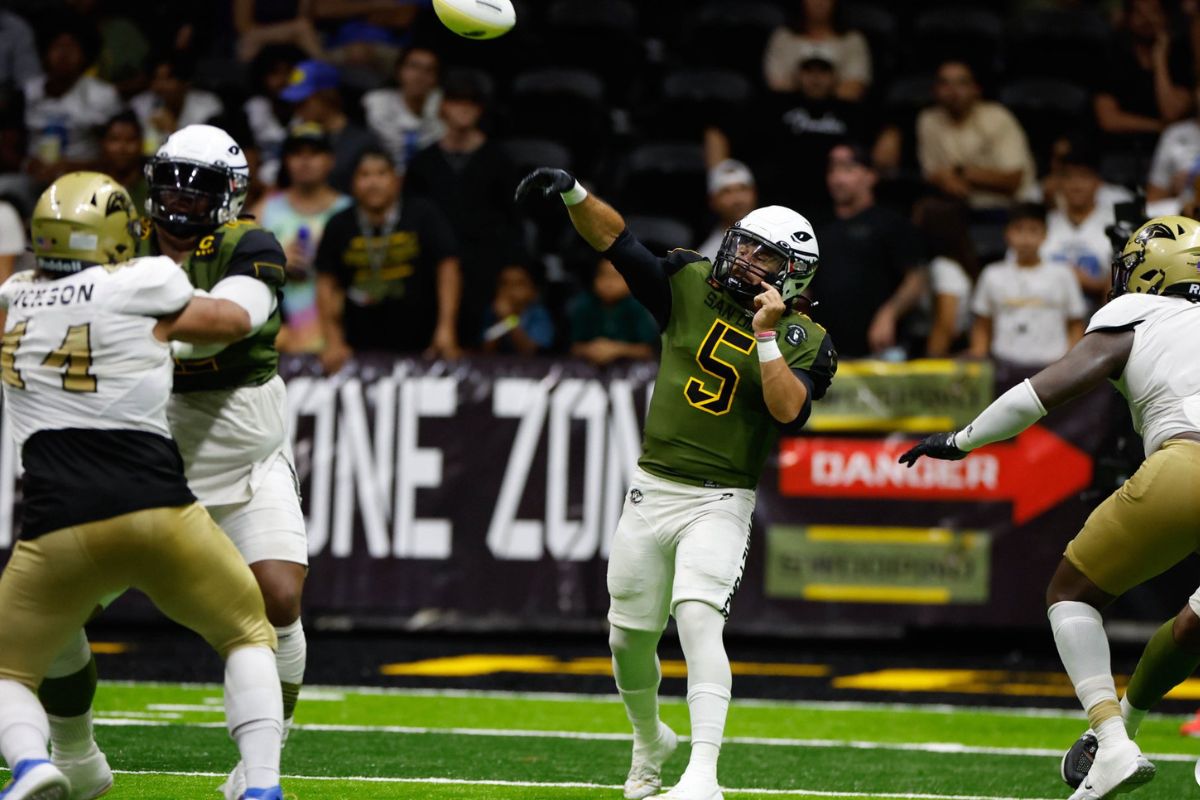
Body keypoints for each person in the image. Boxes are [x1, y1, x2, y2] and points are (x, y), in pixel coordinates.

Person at [515, 166, 836, 800]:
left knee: (696, 616)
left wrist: (766, 338)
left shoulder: (809, 338)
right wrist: (576, 192)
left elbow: (788, 412)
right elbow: (618, 244)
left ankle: (703, 775)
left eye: (759, 256)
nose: (739, 259)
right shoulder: (689, 281)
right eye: (741, 245)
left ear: (791, 273)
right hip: (650, 488)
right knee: (626, 636)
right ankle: (648, 743)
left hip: (719, 497)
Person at [36, 126, 308, 800]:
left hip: (240, 445)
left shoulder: (249, 242)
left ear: (232, 193)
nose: (182, 197)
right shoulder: (114, 237)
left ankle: (263, 757)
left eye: (202, 184)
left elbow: (237, 315)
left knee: (277, 600)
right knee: (47, 607)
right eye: (172, 180)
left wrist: (140, 325)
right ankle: (76, 754)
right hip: (140, 451)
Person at [899, 215, 1200, 800]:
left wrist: (959, 441)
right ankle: (1125, 733)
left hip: (1189, 462)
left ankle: (1111, 743)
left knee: (1071, 594)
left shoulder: (1137, 313)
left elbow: (1040, 392)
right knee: (1193, 626)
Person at [404, 69, 523, 347]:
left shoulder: (499, 161)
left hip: (485, 268)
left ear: (480, 110)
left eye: (471, 103)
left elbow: (514, 217)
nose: (464, 109)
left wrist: (513, 268)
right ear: (443, 107)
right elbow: (410, 218)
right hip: (428, 269)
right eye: (457, 101)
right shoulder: (424, 162)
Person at [315, 147, 461, 374]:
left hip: (422, 345)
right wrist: (332, 340)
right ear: (353, 182)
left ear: (397, 180)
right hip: (357, 347)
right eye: (365, 175)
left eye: (381, 174)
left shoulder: (423, 214)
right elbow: (326, 282)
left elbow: (448, 268)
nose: (373, 183)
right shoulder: (338, 224)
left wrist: (446, 328)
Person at [807, 142, 926, 358]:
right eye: (832, 170)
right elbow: (806, 286)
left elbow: (916, 279)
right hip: (825, 350)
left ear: (871, 176)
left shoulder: (891, 223)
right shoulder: (816, 228)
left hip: (881, 349)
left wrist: (889, 313)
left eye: (847, 169)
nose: (837, 179)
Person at [250, 123, 351, 353]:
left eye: (314, 154)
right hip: (281, 340)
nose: (305, 161)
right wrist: (275, 263)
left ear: (330, 160)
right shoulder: (264, 211)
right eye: (296, 154)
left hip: (341, 340)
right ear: (286, 161)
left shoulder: (348, 211)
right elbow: (238, 272)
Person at [969, 203, 1087, 367]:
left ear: (1045, 235)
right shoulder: (992, 274)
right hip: (1004, 367)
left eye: (1033, 230)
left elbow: (1075, 324)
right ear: (1007, 233)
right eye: (1018, 229)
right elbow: (982, 325)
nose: (1025, 238)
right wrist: (978, 359)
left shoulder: (1063, 275)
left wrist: (1071, 364)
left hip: (1052, 367)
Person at [918, 60, 1037, 212]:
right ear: (934, 90)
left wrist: (958, 172)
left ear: (976, 89)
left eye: (961, 83)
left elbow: (1013, 181)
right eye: (944, 83)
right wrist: (944, 179)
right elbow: (931, 174)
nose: (952, 90)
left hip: (1009, 208)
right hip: (958, 208)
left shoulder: (997, 117)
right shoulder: (928, 120)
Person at [23, 17, 120, 187]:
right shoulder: (27, 92)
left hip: (85, 180)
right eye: (57, 47)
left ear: (84, 54)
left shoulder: (103, 94)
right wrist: (27, 164)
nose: (63, 55)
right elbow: (9, 143)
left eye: (71, 47)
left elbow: (117, 153)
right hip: (33, 178)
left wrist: (73, 167)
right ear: (44, 53)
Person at [1094, 0, 1193, 149]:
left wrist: (1160, 61)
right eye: (1139, 13)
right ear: (1128, 17)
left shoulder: (1179, 58)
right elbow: (1109, 120)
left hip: (1171, 150)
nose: (1146, 20)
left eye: (1154, 12)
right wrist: (1159, 127)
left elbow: (1171, 113)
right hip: (1120, 152)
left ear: (1166, 17)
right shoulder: (1113, 57)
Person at [281, 59, 379, 193]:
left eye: (303, 102)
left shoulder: (362, 143)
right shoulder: (295, 138)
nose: (297, 109)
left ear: (327, 96)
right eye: (295, 103)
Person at [1041, 147, 1117, 305]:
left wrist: (1091, 284)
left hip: (1097, 313)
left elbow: (1126, 285)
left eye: (1084, 177)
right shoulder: (1043, 223)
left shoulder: (1116, 225)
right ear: (1059, 182)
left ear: (1098, 182)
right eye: (1069, 178)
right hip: (1046, 310)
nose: (1076, 185)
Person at [762, 0, 871, 101]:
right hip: (788, 114)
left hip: (839, 115)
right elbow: (778, 87)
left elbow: (853, 88)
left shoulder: (852, 40)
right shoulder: (783, 37)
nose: (819, 2)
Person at [361, 46, 444, 169]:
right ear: (398, 71)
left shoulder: (445, 106)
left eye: (429, 70)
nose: (420, 76)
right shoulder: (375, 103)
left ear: (436, 78)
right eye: (413, 67)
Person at [913, 197, 977, 357]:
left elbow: (945, 324)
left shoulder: (944, 268)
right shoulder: (946, 264)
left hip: (949, 350)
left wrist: (932, 364)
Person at [129, 51, 224, 155]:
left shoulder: (208, 106)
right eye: (155, 79)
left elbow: (211, 152)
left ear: (186, 82)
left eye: (167, 79)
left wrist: (174, 130)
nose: (159, 86)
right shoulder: (140, 105)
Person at [569, 257, 659, 366]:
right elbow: (573, 347)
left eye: (616, 277)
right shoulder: (584, 305)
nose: (609, 284)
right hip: (589, 368)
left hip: (630, 368)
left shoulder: (637, 307)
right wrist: (590, 349)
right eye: (603, 275)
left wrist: (617, 350)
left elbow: (647, 350)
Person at [480, 263, 555, 355]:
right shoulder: (493, 312)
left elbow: (530, 351)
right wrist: (502, 320)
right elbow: (486, 349)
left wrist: (508, 319)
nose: (510, 289)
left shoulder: (538, 314)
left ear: (533, 291)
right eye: (505, 283)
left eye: (519, 283)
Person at [698, 161, 757, 263]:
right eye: (726, 191)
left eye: (743, 188)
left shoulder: (780, 232)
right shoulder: (708, 258)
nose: (738, 199)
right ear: (713, 201)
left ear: (754, 193)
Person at [98, 111, 149, 213]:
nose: (122, 148)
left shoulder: (151, 192)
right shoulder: (94, 189)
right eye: (114, 140)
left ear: (141, 145)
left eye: (130, 140)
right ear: (103, 144)